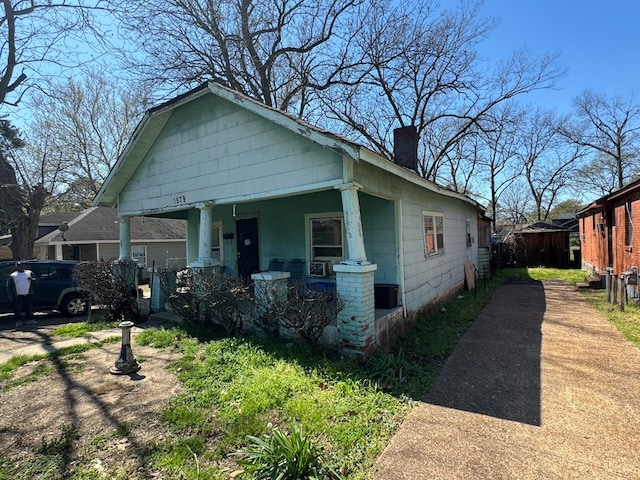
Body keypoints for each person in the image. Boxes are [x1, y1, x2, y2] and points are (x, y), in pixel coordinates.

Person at [6, 261, 36, 327]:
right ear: (16, 267)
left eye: (22, 265)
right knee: (18, 308)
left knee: (28, 307)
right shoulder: (13, 275)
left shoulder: (29, 273)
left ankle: (29, 320)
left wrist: (32, 279)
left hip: (28, 293)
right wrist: (10, 295)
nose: (21, 267)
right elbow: (9, 286)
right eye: (19, 266)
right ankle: (18, 321)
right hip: (18, 294)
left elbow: (36, 281)